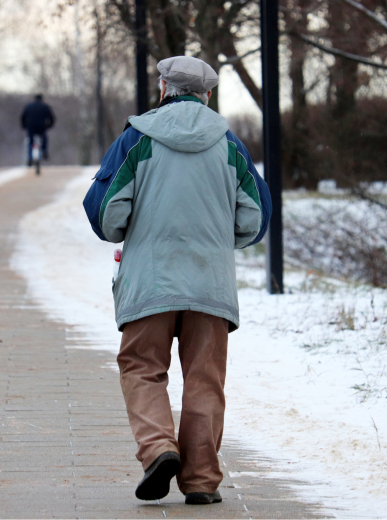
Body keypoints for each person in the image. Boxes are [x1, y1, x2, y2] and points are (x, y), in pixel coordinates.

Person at [82, 56, 272, 505]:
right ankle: (202, 480)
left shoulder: (136, 139)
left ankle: (159, 449)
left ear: (164, 87)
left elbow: (106, 212)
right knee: (205, 380)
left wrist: (134, 227)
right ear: (206, 94)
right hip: (211, 284)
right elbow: (255, 217)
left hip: (151, 281)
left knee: (143, 368)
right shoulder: (229, 145)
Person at [20, 94, 55, 164]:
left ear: (34, 99)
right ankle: (44, 151)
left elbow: (22, 117)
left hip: (30, 127)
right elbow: (51, 118)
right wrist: (49, 126)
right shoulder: (45, 106)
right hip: (41, 127)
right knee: (44, 138)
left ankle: (30, 157)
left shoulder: (28, 106)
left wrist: (24, 126)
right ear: (42, 99)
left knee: (30, 141)